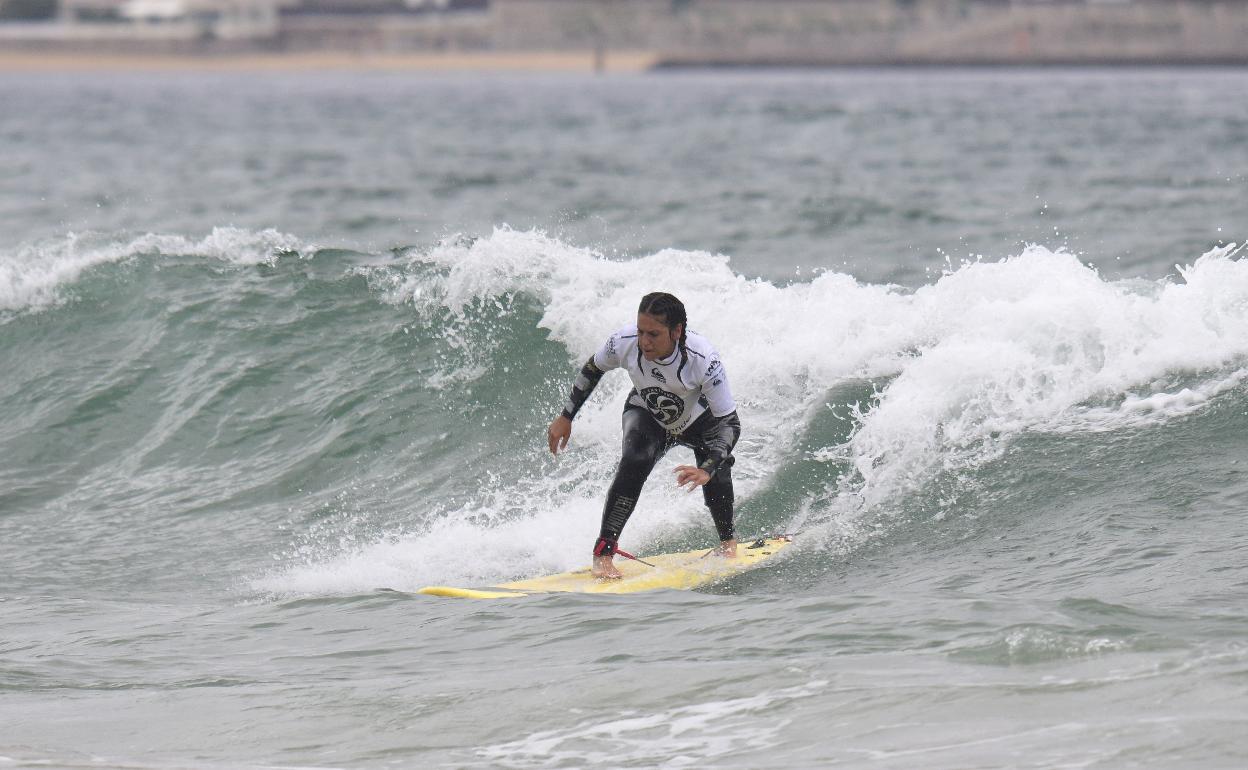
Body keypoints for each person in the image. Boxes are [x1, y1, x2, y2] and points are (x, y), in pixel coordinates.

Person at [546, 292, 742, 579]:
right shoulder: (624, 342)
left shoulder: (703, 359)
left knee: (717, 469)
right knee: (634, 460)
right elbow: (593, 367)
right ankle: (603, 555)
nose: (644, 341)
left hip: (700, 421)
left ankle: (728, 544)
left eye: (654, 334)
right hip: (648, 411)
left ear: (677, 332)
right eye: (640, 331)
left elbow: (729, 423)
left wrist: (707, 468)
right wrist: (566, 416)